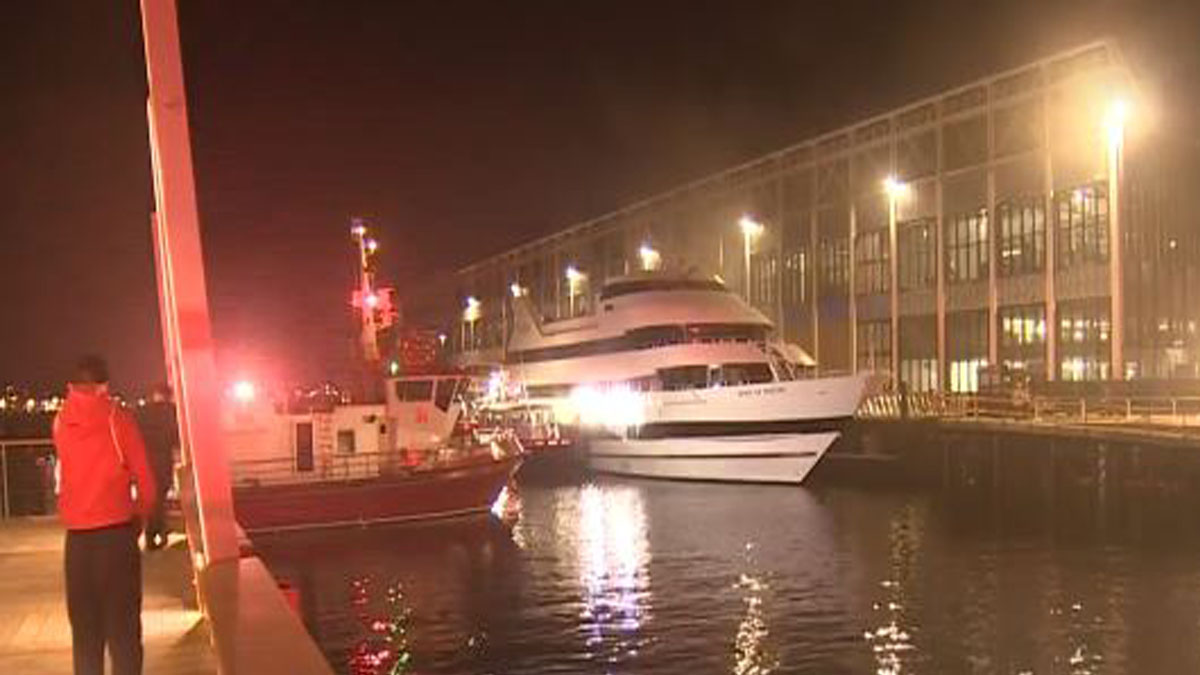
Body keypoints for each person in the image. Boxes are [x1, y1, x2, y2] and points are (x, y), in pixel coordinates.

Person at [53, 355, 156, 675]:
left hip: (77, 545)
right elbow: (148, 483)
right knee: (123, 634)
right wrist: (138, 519)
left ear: (71, 385)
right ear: (104, 385)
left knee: (85, 636)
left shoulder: (59, 420)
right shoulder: (118, 418)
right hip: (116, 539)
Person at [138, 383, 177, 550]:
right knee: (160, 498)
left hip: (145, 460)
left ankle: (152, 533)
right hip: (163, 459)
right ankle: (157, 532)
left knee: (152, 499)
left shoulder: (142, 412)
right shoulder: (172, 411)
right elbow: (176, 437)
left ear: (155, 394)